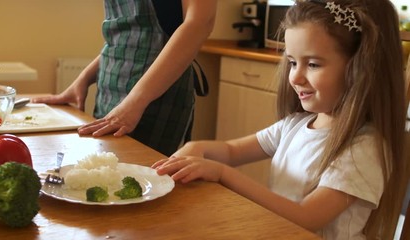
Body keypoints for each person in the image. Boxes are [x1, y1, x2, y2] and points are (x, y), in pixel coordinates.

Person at [152, 0, 408, 239]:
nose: (295, 77)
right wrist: (198, 150)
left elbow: (305, 218)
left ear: (360, 69)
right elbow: (230, 151)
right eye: (293, 62)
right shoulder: (294, 126)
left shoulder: (363, 148)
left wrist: (221, 174)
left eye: (314, 64)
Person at [32, 0, 216, 156]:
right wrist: (83, 79)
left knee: (140, 184)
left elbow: (200, 23)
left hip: (154, 100)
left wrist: (135, 102)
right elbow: (126, 35)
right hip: (110, 90)